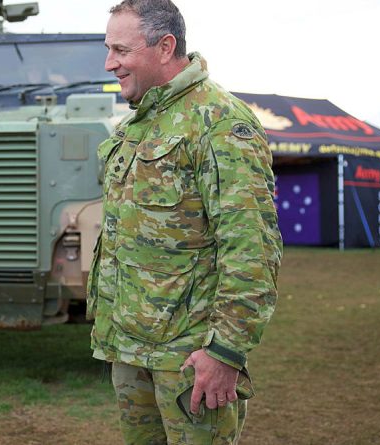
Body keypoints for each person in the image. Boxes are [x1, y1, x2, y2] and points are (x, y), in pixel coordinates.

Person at [87, 1, 283, 444]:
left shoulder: (218, 122)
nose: (109, 63)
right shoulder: (139, 123)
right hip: (131, 348)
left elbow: (251, 248)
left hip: (191, 358)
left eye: (120, 49)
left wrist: (226, 351)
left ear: (165, 46)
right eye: (108, 48)